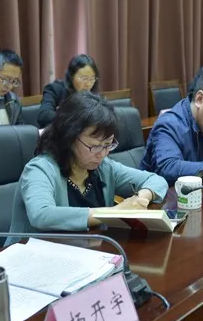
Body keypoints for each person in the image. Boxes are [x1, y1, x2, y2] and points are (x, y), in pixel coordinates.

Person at [9, 92, 167, 240]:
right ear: (69, 138)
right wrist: (113, 212)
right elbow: (42, 215)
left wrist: (140, 199)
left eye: (108, 145)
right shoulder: (41, 169)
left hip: (88, 251)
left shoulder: (103, 167)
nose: (102, 154)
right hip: (34, 254)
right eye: (95, 146)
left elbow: (156, 180)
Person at [37, 54, 99, 128]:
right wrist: (76, 118)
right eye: (84, 78)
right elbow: (44, 115)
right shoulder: (55, 89)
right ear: (71, 76)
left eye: (92, 79)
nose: (88, 84)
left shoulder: (92, 92)